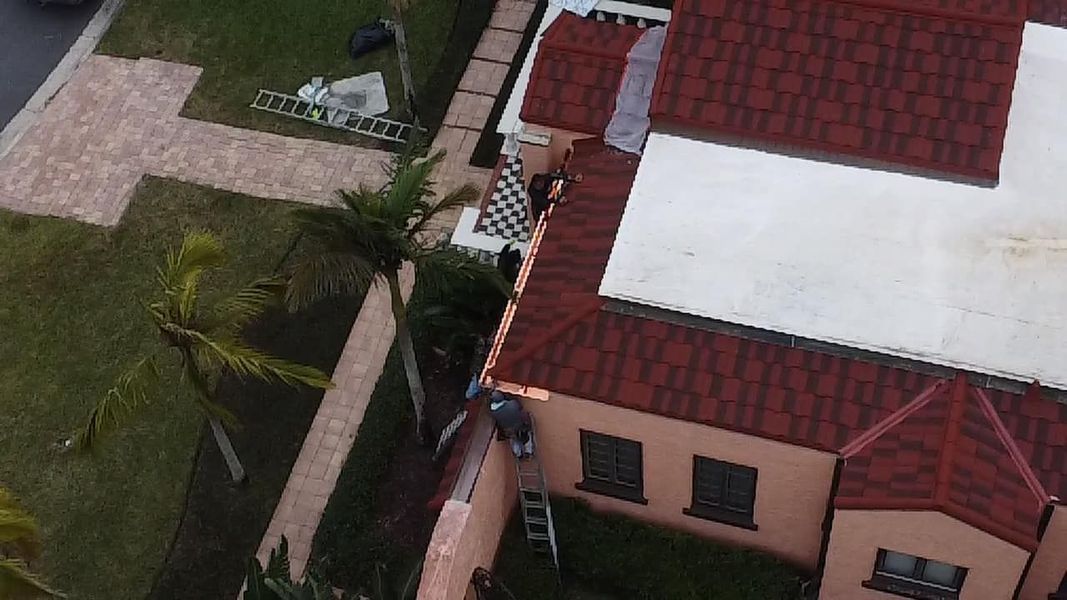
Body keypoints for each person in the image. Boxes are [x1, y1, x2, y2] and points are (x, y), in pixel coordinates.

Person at [488, 390, 534, 458]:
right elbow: (520, 408)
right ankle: (528, 451)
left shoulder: (493, 412)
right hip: (520, 426)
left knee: (514, 440)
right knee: (527, 436)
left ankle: (518, 454)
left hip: (509, 430)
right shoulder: (513, 404)